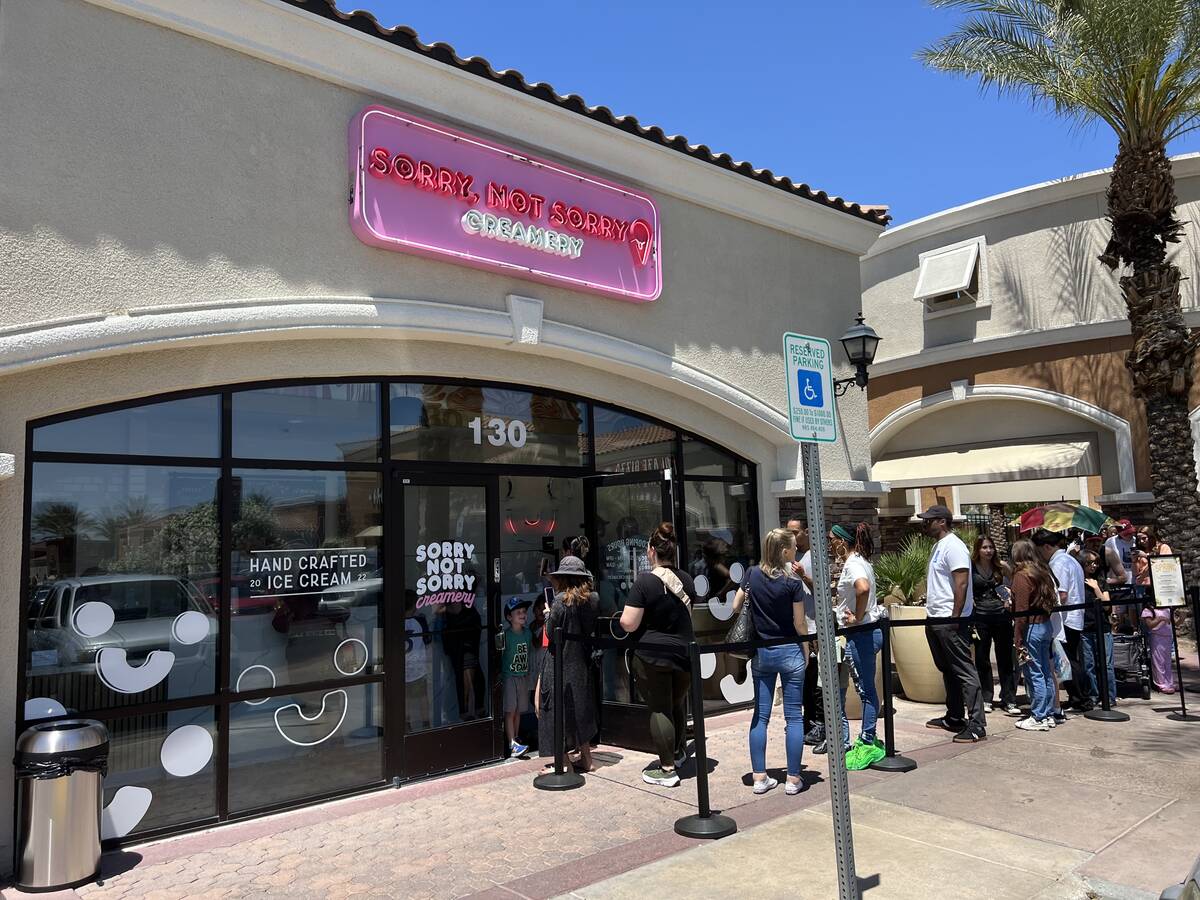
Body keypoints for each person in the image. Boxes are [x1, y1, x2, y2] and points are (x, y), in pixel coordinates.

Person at [618, 523, 699, 788]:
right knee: (676, 703)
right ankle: (677, 754)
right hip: (684, 653)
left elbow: (629, 622)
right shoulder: (687, 579)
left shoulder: (645, 581)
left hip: (653, 655)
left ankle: (666, 769)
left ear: (651, 551)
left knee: (660, 709)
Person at [730, 527, 809, 794]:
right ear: (784, 551)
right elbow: (799, 623)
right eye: (793, 547)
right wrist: (807, 647)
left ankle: (760, 777)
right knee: (793, 717)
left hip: (763, 652)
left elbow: (735, 606)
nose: (796, 550)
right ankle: (794, 778)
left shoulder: (752, 574)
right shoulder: (792, 583)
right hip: (789, 650)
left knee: (760, 716)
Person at [917, 505, 986, 742]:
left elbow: (962, 583)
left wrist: (956, 615)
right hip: (936, 617)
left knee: (964, 670)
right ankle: (954, 716)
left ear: (942, 522)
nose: (925, 524)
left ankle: (977, 724)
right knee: (947, 669)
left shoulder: (954, 546)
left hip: (950, 619)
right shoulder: (939, 546)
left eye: (929, 520)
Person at [831, 522, 886, 771]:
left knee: (865, 690)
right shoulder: (861, 561)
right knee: (867, 689)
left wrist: (857, 617)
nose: (830, 543)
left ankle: (866, 739)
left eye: (832, 539)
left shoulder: (853, 563)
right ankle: (868, 735)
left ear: (843, 541)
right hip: (866, 632)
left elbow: (862, 588)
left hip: (862, 633)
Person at [537, 556, 598, 773]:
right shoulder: (592, 600)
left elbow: (551, 633)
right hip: (580, 661)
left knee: (554, 711)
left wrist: (546, 615)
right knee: (580, 710)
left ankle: (563, 763)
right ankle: (587, 760)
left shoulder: (559, 602)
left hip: (558, 661)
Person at [1037, 529, 1093, 713]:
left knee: (1067, 661)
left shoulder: (1059, 562)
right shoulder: (1069, 560)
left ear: (1046, 546)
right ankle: (1079, 697)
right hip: (1074, 617)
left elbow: (1061, 593)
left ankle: (1081, 698)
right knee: (1070, 659)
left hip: (1066, 619)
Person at [1010, 539, 1058, 731]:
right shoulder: (1042, 572)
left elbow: (1021, 611)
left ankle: (1038, 716)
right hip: (1045, 626)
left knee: (1034, 672)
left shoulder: (1022, 576)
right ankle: (1047, 714)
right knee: (1045, 672)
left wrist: (1017, 637)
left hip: (1032, 627)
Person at [971, 535, 1020, 716]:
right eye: (984, 547)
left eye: (990, 547)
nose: (988, 551)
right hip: (980, 618)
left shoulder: (1001, 567)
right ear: (978, 549)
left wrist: (1010, 596)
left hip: (1001, 616)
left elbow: (1017, 582)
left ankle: (1009, 698)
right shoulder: (970, 568)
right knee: (982, 660)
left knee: (1005, 659)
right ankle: (986, 697)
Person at [1080, 550, 1118, 708]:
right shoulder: (1078, 580)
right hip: (1085, 627)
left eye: (1095, 562)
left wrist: (1096, 588)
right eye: (1089, 563)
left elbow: (1107, 606)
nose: (1093, 565)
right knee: (1089, 665)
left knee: (1106, 665)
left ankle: (1109, 696)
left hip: (1102, 628)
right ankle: (1094, 695)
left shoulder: (1100, 581)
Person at [501, 597, 534, 757]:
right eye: (518, 612)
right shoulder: (506, 636)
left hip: (523, 676)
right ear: (509, 617)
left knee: (519, 710)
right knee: (510, 710)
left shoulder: (527, 633)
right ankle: (511, 743)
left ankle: (516, 738)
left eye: (524, 612)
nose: (522, 615)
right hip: (510, 676)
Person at [1105, 519, 1136, 585]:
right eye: (1126, 534)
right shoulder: (1111, 541)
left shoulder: (1136, 541)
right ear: (1119, 533)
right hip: (1119, 582)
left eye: (1131, 533)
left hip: (1134, 580)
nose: (1129, 535)